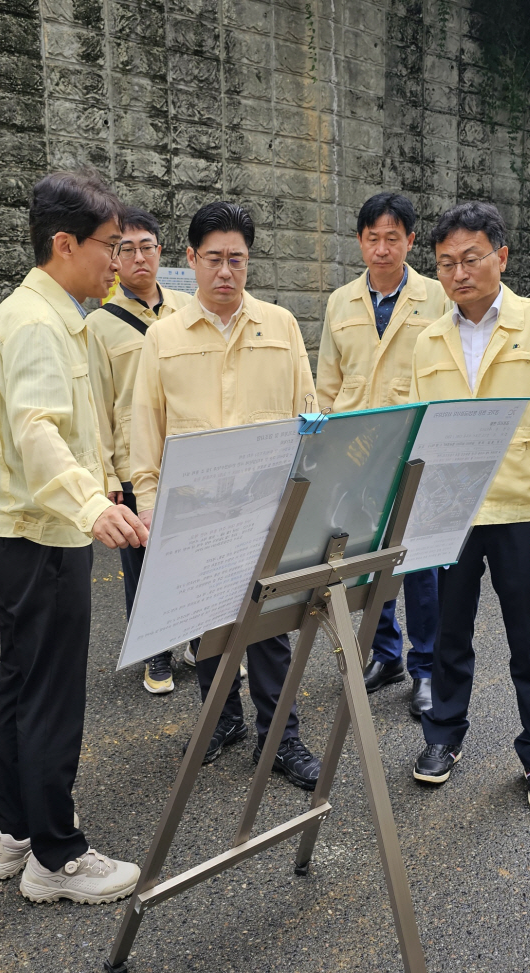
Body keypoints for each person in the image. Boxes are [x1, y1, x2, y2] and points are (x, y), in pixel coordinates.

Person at [0, 171, 149, 902]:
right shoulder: (41, 323)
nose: (117, 260)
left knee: (21, 679)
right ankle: (58, 855)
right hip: (46, 533)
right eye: (110, 245)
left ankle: (17, 830)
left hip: (24, 529)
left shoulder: (42, 313)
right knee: (50, 692)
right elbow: (38, 430)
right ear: (64, 243)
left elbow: (62, 427)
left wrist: (96, 479)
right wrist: (89, 503)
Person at [130, 201, 321, 789]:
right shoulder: (162, 337)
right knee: (208, 626)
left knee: (270, 628)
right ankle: (222, 720)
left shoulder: (280, 326)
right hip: (196, 509)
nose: (225, 272)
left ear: (248, 261)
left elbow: (309, 416)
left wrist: (307, 497)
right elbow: (145, 427)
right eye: (212, 259)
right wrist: (148, 503)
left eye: (236, 259)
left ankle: (281, 736)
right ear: (190, 259)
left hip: (266, 510)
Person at [409, 201, 530, 817]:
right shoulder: (429, 337)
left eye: (471, 258)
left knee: (529, 640)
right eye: (445, 263)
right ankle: (443, 738)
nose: (458, 273)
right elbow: (417, 431)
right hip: (451, 514)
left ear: (501, 257)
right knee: (448, 636)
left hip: (520, 509)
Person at [316, 192, 449, 718]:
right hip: (355, 452)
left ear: (411, 241)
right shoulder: (341, 302)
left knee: (418, 565)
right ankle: (386, 653)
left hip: (414, 450)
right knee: (367, 562)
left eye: (393, 238)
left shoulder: (437, 298)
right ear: (360, 241)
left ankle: (428, 668)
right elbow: (328, 382)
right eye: (373, 238)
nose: (382, 248)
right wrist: (321, 446)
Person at [86, 207, 192, 695]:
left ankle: (195, 638)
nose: (137, 257)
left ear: (160, 251)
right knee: (143, 564)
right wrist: (107, 478)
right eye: (124, 248)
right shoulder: (100, 326)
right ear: (115, 257)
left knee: (193, 554)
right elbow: (99, 409)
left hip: (188, 456)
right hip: (134, 464)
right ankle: (157, 651)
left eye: (146, 245)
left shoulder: (188, 310)